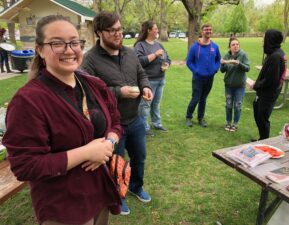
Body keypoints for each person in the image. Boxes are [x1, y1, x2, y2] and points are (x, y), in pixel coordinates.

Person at [3, 15, 123, 225]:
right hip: (64, 208)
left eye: (75, 42)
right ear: (40, 50)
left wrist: (109, 143)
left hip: (100, 194)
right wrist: (87, 152)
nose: (69, 50)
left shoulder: (93, 84)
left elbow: (115, 122)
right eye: (57, 43)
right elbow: (25, 166)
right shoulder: (28, 101)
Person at [81, 11, 153, 216]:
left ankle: (136, 187)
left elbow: (141, 74)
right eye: (111, 30)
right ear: (99, 32)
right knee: (115, 163)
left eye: (119, 29)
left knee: (140, 157)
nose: (117, 34)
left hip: (135, 119)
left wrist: (146, 86)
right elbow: (89, 94)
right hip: (112, 125)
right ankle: (117, 196)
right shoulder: (90, 60)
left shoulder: (129, 53)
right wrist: (118, 92)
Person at [134, 20, 171, 136]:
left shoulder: (159, 44)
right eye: (155, 28)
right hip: (148, 80)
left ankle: (157, 123)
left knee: (156, 104)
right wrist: (155, 55)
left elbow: (167, 58)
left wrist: (166, 65)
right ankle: (144, 127)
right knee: (145, 105)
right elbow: (140, 61)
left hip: (160, 79)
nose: (157, 30)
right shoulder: (140, 45)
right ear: (149, 30)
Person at [251, 29, 287, 140]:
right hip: (265, 92)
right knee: (257, 112)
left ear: (270, 40)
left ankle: (264, 142)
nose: (262, 40)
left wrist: (255, 85)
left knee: (262, 117)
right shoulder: (274, 53)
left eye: (264, 38)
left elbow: (271, 80)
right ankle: (261, 139)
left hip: (269, 93)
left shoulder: (276, 56)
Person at [185, 23, 221, 127]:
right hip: (198, 78)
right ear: (202, 32)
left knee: (203, 98)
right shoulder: (195, 47)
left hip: (210, 78)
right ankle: (188, 117)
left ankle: (201, 118)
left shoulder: (215, 46)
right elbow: (189, 62)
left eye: (210, 29)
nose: (208, 31)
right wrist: (196, 71)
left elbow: (218, 59)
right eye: (206, 30)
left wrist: (215, 69)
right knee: (195, 98)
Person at [220, 37, 250, 132]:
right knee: (229, 105)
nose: (235, 46)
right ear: (230, 46)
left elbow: (247, 68)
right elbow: (222, 70)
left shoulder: (243, 55)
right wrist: (223, 63)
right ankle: (228, 122)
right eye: (233, 44)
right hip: (228, 86)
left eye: (237, 44)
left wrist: (239, 64)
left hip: (239, 86)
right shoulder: (227, 55)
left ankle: (235, 124)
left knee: (237, 105)